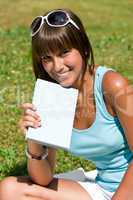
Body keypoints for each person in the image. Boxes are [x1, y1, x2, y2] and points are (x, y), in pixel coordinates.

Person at [0, 8, 133, 200]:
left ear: (84, 48)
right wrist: (35, 141)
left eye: (64, 53)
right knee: (9, 189)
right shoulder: (54, 97)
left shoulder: (112, 85)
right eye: (47, 58)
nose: (57, 66)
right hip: (104, 187)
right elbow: (43, 179)